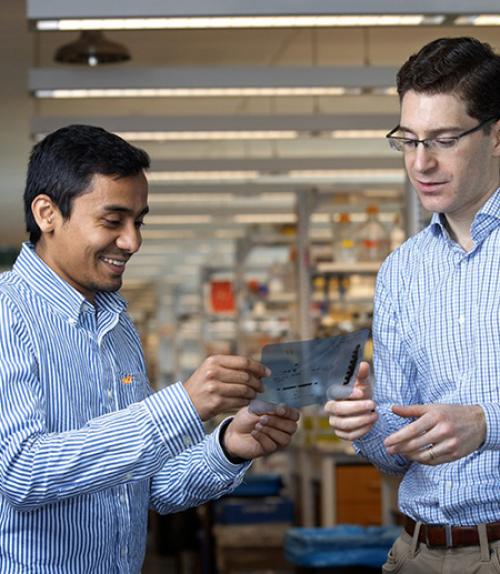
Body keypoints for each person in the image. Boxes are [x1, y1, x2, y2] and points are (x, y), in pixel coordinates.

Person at [0, 124, 299, 573]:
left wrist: (229, 446)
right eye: (112, 220)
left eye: (138, 222)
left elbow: (148, 487)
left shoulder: (117, 325)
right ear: (47, 213)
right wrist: (182, 405)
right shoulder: (8, 313)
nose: (132, 241)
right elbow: (21, 472)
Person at [325, 36, 500, 573]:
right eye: (408, 140)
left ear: (496, 135)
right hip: (416, 551)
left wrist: (486, 423)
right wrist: (364, 422)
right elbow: (392, 453)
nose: (421, 163)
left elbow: (478, 423)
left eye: (444, 139)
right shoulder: (401, 271)